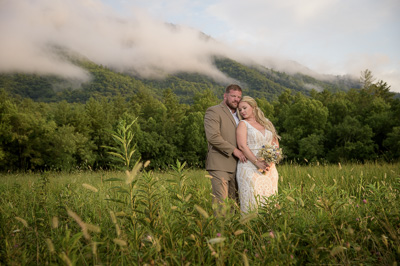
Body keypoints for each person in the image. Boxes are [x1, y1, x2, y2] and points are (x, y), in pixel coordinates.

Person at [204, 84, 247, 209]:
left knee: (235, 204)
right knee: (221, 203)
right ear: (225, 96)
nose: (236, 99)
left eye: (239, 97)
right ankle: (220, 229)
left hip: (239, 166)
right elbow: (213, 137)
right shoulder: (214, 111)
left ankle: (233, 229)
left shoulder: (241, 114)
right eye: (233, 96)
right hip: (220, 164)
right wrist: (234, 150)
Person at [236, 96, 280, 213]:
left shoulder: (267, 123)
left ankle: (270, 229)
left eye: (244, 108)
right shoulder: (243, 124)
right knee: (253, 201)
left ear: (253, 107)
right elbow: (242, 146)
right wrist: (257, 162)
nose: (242, 112)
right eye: (240, 110)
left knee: (271, 200)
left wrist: (271, 160)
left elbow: (275, 143)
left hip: (269, 167)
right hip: (250, 167)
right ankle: (252, 229)